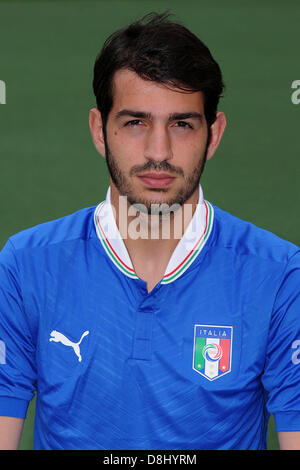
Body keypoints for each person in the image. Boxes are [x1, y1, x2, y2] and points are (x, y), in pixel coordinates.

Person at [0, 11, 299, 451]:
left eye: (181, 124)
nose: (158, 152)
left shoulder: (278, 275)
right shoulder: (26, 265)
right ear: (99, 131)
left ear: (213, 135)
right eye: (135, 122)